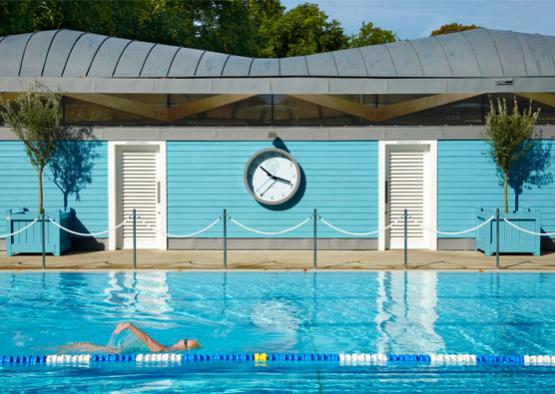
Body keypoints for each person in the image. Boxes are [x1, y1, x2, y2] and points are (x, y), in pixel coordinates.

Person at [59, 322, 200, 354]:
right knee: (87, 345)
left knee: (86, 346)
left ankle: (64, 350)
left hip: (119, 353)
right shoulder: (169, 348)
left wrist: (130, 326)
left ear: (185, 347)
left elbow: (149, 341)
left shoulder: (166, 350)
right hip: (124, 351)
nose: (183, 339)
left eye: (186, 341)